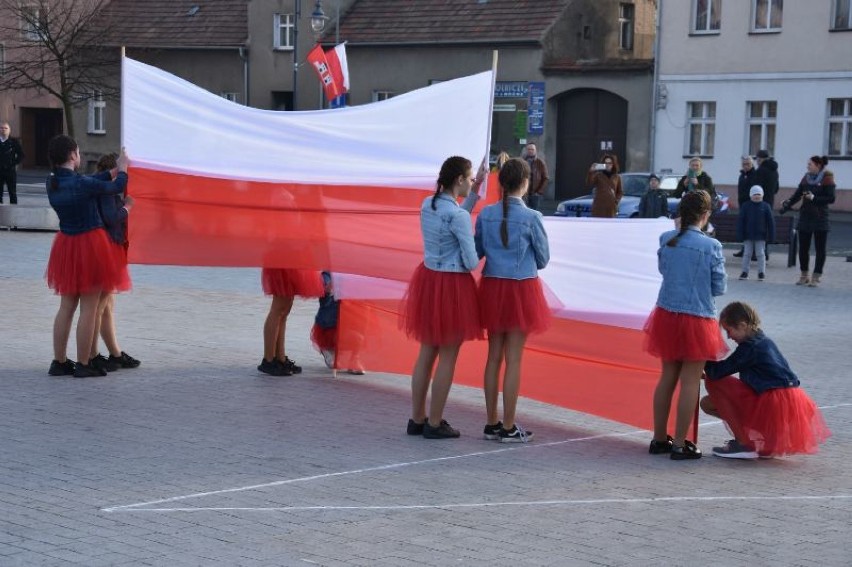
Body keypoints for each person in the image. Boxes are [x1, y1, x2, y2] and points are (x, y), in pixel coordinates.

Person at [401, 156, 486, 439]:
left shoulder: (428, 204)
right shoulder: (458, 215)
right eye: (471, 177)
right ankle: (435, 423)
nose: (472, 181)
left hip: (429, 279)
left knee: (427, 352)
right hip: (452, 285)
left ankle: (417, 418)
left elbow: (456, 213)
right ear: (459, 180)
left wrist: (475, 193)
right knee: (448, 355)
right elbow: (472, 261)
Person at [644, 190, 727, 460]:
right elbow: (719, 286)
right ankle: (680, 443)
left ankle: (659, 438)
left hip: (667, 314)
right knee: (690, 381)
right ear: (705, 216)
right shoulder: (711, 246)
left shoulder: (666, 239)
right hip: (698, 317)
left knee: (667, 377)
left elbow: (662, 271)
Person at [475, 158, 550, 443]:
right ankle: (508, 426)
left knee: (493, 356)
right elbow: (543, 259)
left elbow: (478, 250)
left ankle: (492, 422)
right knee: (514, 359)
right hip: (521, 288)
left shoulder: (486, 214)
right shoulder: (532, 217)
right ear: (526, 182)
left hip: (493, 286)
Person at [45, 136, 131, 378]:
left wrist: (113, 170)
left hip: (66, 244)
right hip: (90, 245)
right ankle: (84, 363)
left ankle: (59, 361)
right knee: (90, 308)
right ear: (73, 155)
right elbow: (113, 187)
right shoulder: (80, 184)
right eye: (79, 152)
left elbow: (91, 181)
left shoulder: (52, 182)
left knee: (66, 307)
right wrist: (122, 170)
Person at [701, 301, 831, 459]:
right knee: (708, 403)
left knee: (715, 382)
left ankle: (744, 444)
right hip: (791, 401)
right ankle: (764, 442)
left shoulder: (749, 348)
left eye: (729, 330)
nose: (728, 337)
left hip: (773, 403)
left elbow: (717, 373)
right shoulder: (763, 341)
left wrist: (701, 354)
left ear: (742, 325)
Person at [87, 153, 141, 372]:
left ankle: (114, 353)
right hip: (108, 249)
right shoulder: (106, 191)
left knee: (106, 306)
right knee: (99, 307)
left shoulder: (98, 187)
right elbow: (111, 217)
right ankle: (91, 355)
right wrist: (127, 206)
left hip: (108, 247)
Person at [781, 155, 836, 287]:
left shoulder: (827, 179)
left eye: (810, 164)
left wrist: (814, 198)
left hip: (820, 218)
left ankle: (816, 277)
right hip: (805, 217)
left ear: (818, 165)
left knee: (820, 249)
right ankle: (804, 275)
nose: (807, 166)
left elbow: (831, 198)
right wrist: (787, 205)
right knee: (803, 248)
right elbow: (797, 194)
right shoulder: (806, 178)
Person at [259, 268, 324, 376]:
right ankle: (268, 359)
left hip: (293, 260)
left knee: (284, 310)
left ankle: (280, 358)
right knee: (278, 308)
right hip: (282, 260)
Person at [310, 271, 365, 375]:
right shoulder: (327, 275)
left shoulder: (354, 275)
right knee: (334, 356)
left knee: (359, 333)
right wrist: (328, 287)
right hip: (329, 325)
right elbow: (323, 292)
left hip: (348, 323)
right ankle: (328, 349)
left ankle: (354, 358)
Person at [736, 186, 775, 282]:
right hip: (747, 235)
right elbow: (741, 221)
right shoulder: (746, 206)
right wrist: (740, 234)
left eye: (759, 194)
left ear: (762, 195)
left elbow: (771, 222)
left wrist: (772, 235)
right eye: (754, 194)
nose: (757, 196)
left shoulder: (766, 206)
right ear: (750, 195)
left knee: (761, 254)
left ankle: (761, 273)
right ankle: (744, 272)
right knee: (747, 254)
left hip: (761, 235)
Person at [733, 155, 759, 258]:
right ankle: (744, 249)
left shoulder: (755, 175)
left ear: (752, 164)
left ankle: (753, 251)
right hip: (742, 205)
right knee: (745, 228)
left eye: (748, 164)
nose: (746, 166)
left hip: (752, 205)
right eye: (744, 164)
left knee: (752, 228)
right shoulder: (742, 175)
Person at [587, 153, 623, 218]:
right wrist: (591, 172)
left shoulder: (617, 177)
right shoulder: (598, 175)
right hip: (599, 207)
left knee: (610, 226)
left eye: (610, 163)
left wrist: (616, 201)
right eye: (606, 163)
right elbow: (590, 182)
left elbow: (619, 192)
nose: (608, 165)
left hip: (611, 208)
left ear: (613, 164)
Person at [0, 121, 25, 205]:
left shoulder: (14, 142)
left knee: (12, 192)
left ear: (9, 130)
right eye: (1, 128)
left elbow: (21, 155)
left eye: (5, 128)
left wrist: (13, 163)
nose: (3, 130)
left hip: (10, 171)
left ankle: (14, 210)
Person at [522, 143, 549, 212]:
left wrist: (539, 192)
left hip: (535, 193)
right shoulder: (522, 162)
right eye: (529, 149)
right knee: (524, 211)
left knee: (534, 212)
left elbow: (545, 178)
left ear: (535, 150)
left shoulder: (540, 163)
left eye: (532, 149)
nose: (530, 151)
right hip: (524, 193)